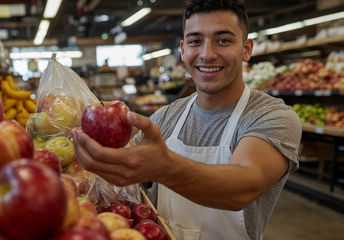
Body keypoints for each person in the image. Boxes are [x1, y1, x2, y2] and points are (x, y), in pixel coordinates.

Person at [70, 0, 301, 239]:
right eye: (195, 41)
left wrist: (164, 168)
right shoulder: (166, 117)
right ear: (182, 50)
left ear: (247, 49)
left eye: (223, 40)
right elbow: (123, 174)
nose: (207, 54)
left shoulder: (273, 117)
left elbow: (242, 187)